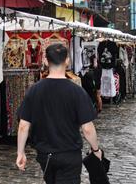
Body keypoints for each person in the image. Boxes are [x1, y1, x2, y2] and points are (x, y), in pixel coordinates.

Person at [16, 44, 101, 184]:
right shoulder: (77, 91)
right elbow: (87, 128)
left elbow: (23, 126)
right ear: (67, 60)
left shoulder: (34, 90)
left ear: (45, 60)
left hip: (45, 155)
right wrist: (95, 149)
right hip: (69, 154)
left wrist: (20, 152)